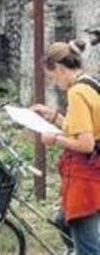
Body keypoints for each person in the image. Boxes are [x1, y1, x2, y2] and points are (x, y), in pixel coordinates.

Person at [31, 39, 100, 255]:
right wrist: (52, 116)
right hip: (94, 171)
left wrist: (54, 139)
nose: (54, 83)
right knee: (62, 219)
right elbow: (83, 127)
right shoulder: (90, 83)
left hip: (87, 177)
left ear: (60, 69)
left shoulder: (76, 93)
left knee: (87, 246)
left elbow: (86, 143)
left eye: (52, 77)